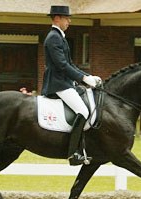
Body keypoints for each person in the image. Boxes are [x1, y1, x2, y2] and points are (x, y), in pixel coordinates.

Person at [41, 5, 102, 165]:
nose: (69, 21)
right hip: (58, 84)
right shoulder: (53, 37)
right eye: (66, 18)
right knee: (82, 110)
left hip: (65, 83)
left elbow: (70, 64)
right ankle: (73, 153)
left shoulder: (60, 37)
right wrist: (83, 78)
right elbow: (61, 65)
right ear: (57, 19)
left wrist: (88, 77)